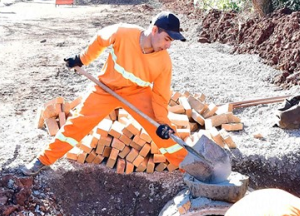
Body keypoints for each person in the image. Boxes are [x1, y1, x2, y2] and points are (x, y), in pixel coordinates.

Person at [22, 12, 187, 175]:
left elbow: (160, 95)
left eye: (171, 42)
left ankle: (189, 168)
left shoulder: (164, 62)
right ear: (155, 30)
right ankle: (43, 160)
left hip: (136, 93)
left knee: (162, 132)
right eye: (167, 39)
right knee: (78, 124)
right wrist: (82, 59)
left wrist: (162, 122)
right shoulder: (123, 32)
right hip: (106, 88)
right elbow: (101, 39)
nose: (168, 46)